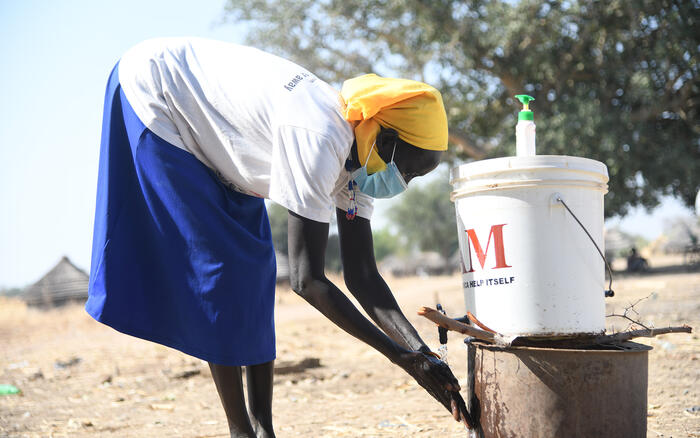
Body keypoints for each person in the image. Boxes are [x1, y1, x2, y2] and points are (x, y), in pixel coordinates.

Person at [85, 37, 471, 437]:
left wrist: (424, 356)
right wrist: (400, 359)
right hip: (158, 93)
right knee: (222, 265)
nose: (404, 184)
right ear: (387, 140)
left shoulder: (363, 162)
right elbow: (308, 281)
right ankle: (242, 430)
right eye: (409, 171)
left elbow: (363, 275)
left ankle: (262, 427)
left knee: (257, 264)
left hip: (217, 131)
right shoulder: (322, 137)